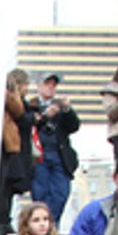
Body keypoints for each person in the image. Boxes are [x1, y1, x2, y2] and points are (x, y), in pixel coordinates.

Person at [26, 73, 80, 223]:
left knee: (61, 192)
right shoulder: (30, 106)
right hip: (39, 155)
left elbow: (74, 127)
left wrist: (67, 110)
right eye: (47, 83)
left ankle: (52, 224)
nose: (50, 87)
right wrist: (44, 116)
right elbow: (26, 126)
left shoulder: (60, 106)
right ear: (38, 86)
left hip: (59, 154)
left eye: (53, 85)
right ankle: (43, 226)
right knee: (40, 194)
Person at [0, 70, 33, 235]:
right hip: (7, 147)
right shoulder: (10, 97)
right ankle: (1, 225)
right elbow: (20, 113)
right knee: (3, 190)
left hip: (9, 148)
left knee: (6, 190)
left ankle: (3, 223)